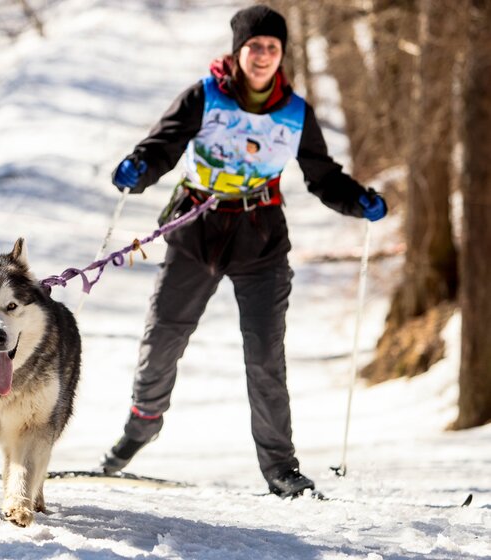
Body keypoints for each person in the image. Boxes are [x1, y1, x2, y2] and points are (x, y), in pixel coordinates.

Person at [100, 5, 387, 498]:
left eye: (272, 48)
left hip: (260, 240)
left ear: (282, 55)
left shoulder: (296, 112)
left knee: (264, 355)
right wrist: (137, 169)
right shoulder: (205, 95)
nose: (262, 56)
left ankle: (281, 468)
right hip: (197, 232)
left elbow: (323, 176)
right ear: (239, 52)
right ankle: (141, 426)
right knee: (163, 339)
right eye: (254, 47)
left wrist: (356, 199)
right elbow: (161, 147)